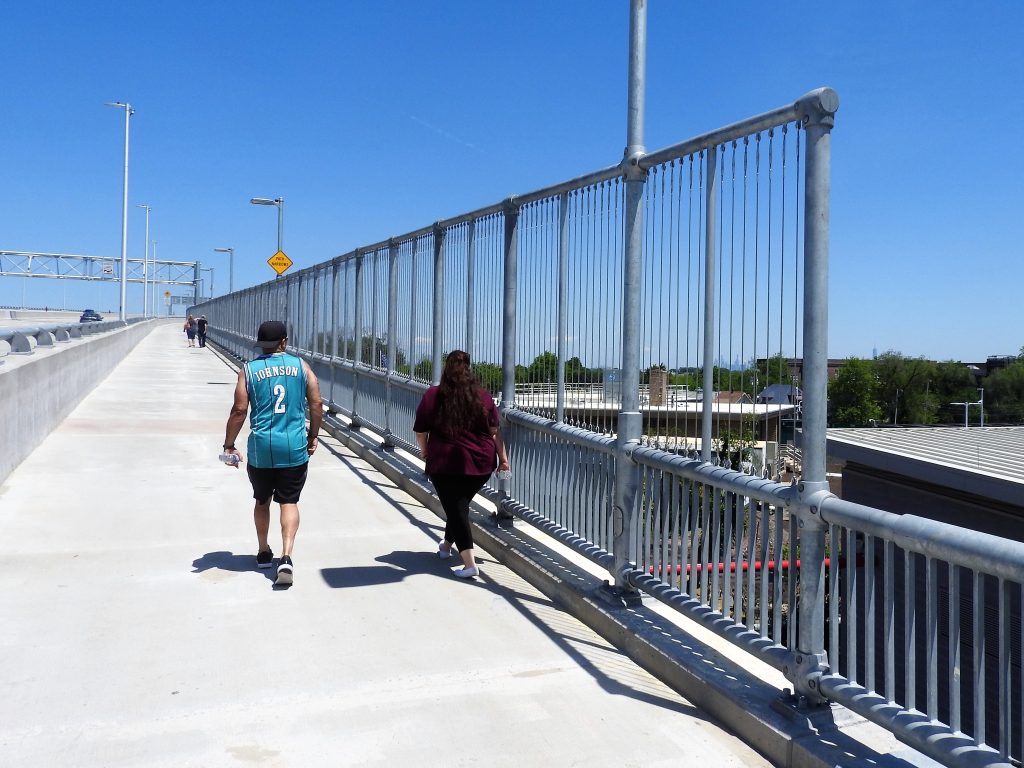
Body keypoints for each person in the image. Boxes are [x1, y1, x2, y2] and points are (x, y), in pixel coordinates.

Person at [222, 320, 323, 588]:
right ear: (284, 342)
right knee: (289, 501)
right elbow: (316, 403)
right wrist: (313, 436)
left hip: (262, 449)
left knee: (262, 500)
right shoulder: (301, 367)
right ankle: (286, 556)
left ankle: (264, 550)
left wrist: (228, 444)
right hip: (293, 447)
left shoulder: (249, 370)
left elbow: (240, 410)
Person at [413, 350, 509, 579]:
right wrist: (503, 459)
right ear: (469, 371)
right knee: (459, 506)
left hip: (445, 464)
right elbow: (495, 432)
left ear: (446, 370)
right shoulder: (482, 397)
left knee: (456, 510)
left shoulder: (433, 395)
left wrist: (425, 451)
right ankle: (446, 547)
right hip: (481, 465)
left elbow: (420, 431)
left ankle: (469, 564)